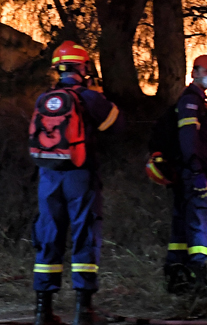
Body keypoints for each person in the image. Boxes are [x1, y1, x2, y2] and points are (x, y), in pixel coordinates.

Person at [31, 41, 124, 325]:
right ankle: (84, 311)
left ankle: (42, 311)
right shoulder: (88, 97)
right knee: (84, 235)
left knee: (49, 237)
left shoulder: (44, 99)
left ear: (58, 69)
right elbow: (116, 126)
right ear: (83, 67)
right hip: (79, 176)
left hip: (48, 178)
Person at [164, 55, 207, 293]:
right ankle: (198, 278)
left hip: (186, 172)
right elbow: (188, 139)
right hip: (194, 173)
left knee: (182, 224)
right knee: (201, 223)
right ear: (195, 72)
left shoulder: (195, 101)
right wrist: (197, 171)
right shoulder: (191, 102)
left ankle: (178, 275)